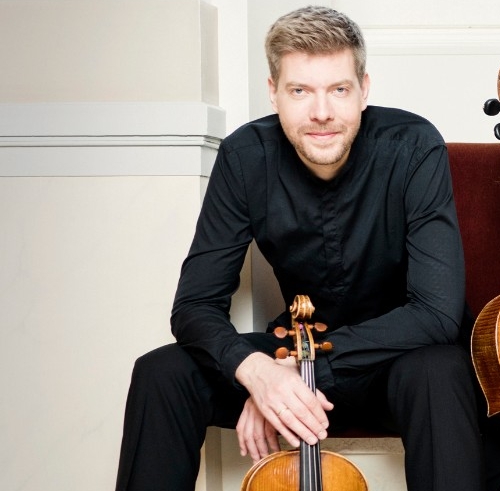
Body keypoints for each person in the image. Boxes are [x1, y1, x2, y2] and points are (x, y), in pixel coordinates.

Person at [114, 6, 480, 491]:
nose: (322, 112)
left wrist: (298, 371)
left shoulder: (413, 146)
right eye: (300, 91)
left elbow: (437, 313)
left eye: (339, 90)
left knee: (442, 371)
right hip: (291, 348)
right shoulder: (245, 156)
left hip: (394, 363)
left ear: (364, 89)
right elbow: (194, 306)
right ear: (274, 93)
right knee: (161, 373)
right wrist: (258, 374)